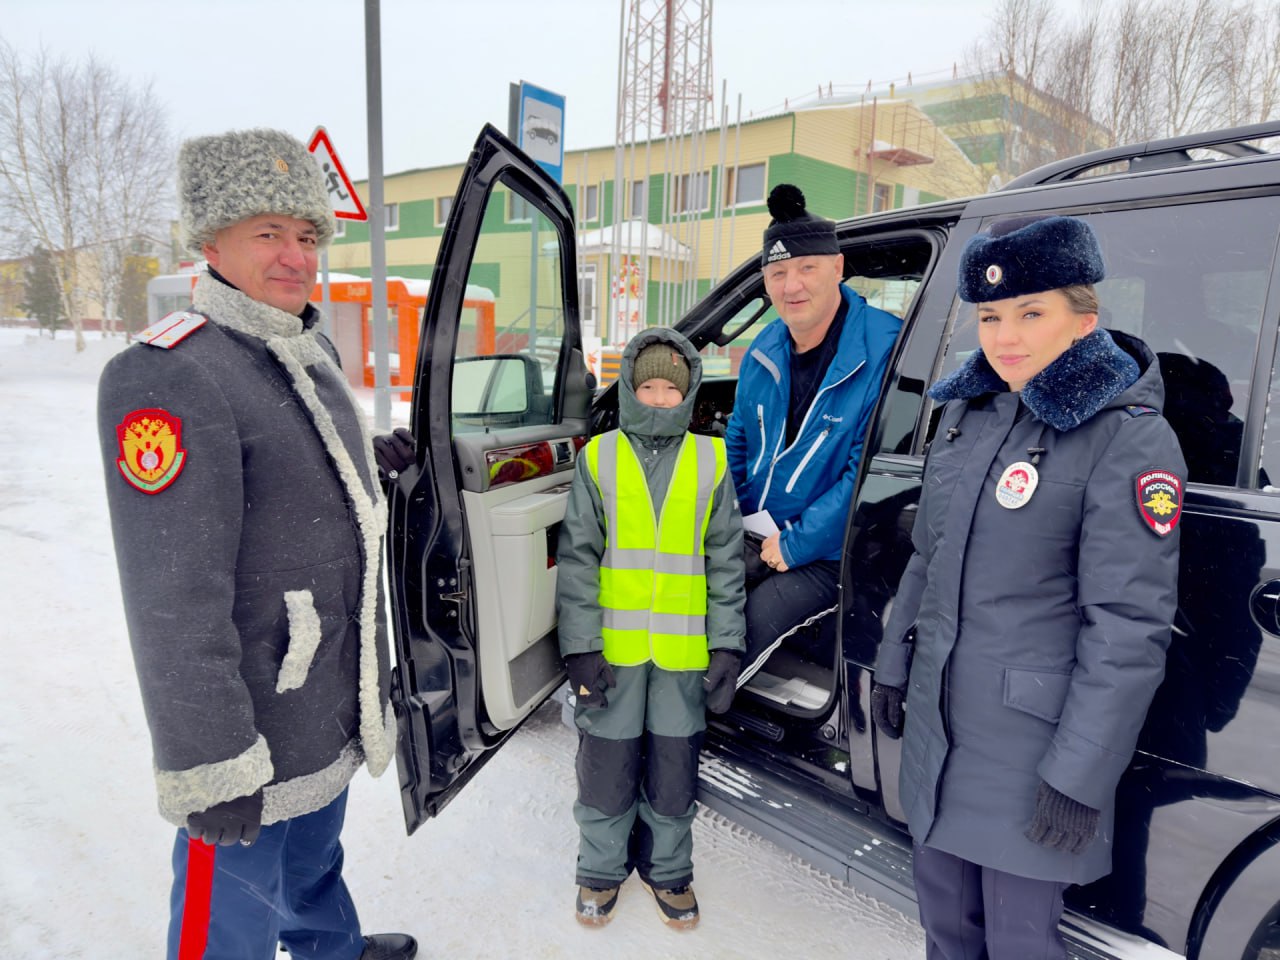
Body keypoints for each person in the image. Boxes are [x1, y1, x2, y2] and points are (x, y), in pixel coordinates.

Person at [97, 128, 416, 960]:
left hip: (317, 688)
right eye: (267, 233)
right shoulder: (172, 373)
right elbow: (171, 594)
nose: (295, 256)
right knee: (226, 914)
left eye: (306, 236)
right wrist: (212, 761)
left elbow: (289, 478)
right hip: (251, 720)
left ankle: (328, 950)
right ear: (211, 242)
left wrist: (366, 458)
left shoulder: (297, 349)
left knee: (312, 857)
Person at [870, 215, 1186, 959]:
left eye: (1031, 313)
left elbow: (1127, 629)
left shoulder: (1126, 435)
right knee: (945, 928)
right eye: (990, 316)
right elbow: (928, 554)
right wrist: (892, 664)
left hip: (1031, 752)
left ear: (1084, 318)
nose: (1005, 337)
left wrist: (1078, 774)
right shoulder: (969, 414)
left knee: (1019, 942)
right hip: (941, 731)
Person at [555, 327, 746, 930]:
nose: (661, 397)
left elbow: (725, 561)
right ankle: (600, 869)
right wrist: (581, 648)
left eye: (672, 387)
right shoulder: (599, 456)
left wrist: (726, 645)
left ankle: (668, 871)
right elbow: (580, 559)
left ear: (687, 393)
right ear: (632, 390)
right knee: (606, 767)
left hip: (682, 654)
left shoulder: (710, 460)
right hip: (613, 650)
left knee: (672, 768)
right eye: (649, 386)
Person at [725, 184, 902, 687]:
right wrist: (733, 522)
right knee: (690, 604)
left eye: (807, 268)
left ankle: (686, 725)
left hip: (827, 552)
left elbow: (868, 470)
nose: (792, 285)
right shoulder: (764, 348)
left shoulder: (884, 347)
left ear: (838, 268)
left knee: (735, 634)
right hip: (759, 534)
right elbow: (739, 438)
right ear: (765, 280)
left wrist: (795, 545)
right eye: (778, 273)